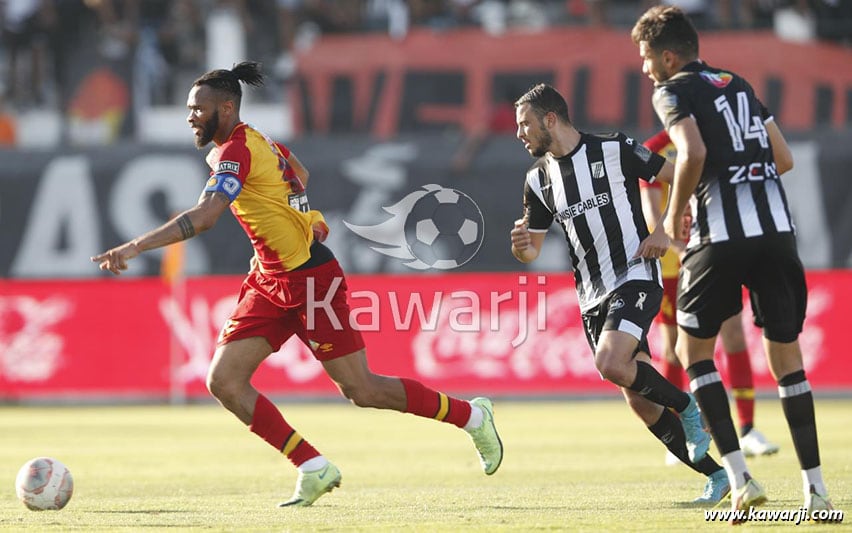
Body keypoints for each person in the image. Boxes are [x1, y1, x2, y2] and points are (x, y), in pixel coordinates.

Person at [91, 61, 503, 507]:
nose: (190, 117)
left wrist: (136, 246)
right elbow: (298, 172)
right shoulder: (254, 141)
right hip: (270, 280)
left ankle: (472, 416)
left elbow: (206, 216)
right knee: (225, 381)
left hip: (311, 281)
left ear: (226, 108)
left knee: (362, 390)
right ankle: (312, 466)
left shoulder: (236, 150)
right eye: (189, 108)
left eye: (197, 108)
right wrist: (299, 219)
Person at [631, 6, 835, 519]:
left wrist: (672, 217)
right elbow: (783, 158)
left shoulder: (671, 91)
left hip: (719, 235)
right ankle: (816, 489)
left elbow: (693, 151)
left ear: (668, 56)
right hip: (777, 233)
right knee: (787, 361)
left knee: (691, 350)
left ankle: (741, 480)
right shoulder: (738, 85)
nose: (645, 69)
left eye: (646, 57)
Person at [510, 83, 729, 504]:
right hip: (591, 296)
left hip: (634, 275)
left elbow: (681, 176)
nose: (520, 133)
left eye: (525, 124)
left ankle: (688, 407)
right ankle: (719, 476)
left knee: (610, 362)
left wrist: (664, 230)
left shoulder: (614, 148)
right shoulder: (538, 179)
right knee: (640, 401)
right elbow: (532, 249)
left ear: (550, 119)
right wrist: (521, 247)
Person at [638, 129, 780, 462]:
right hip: (672, 265)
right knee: (675, 350)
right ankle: (682, 433)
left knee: (734, 335)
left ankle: (748, 429)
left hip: (716, 254)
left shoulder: (719, 140)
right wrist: (681, 249)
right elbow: (652, 213)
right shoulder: (655, 149)